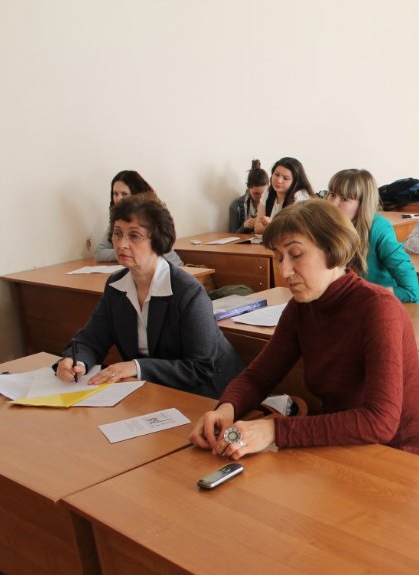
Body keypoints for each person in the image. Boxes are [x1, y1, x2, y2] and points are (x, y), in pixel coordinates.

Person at [189, 199, 419, 458]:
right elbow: (258, 377)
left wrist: (275, 430)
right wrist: (226, 408)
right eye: (279, 257)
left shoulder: (379, 308)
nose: (284, 270)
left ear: (333, 251)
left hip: (389, 456)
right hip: (333, 444)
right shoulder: (302, 307)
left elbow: (380, 422)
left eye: (296, 254)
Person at [57, 194, 245, 399]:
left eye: (134, 236)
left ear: (157, 240)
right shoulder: (116, 286)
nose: (121, 244)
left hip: (210, 392)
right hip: (154, 391)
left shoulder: (188, 292)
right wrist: (76, 362)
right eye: (117, 233)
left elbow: (201, 367)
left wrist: (136, 367)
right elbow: (90, 340)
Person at [327, 169, 419, 304]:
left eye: (344, 199)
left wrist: (362, 294)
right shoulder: (327, 228)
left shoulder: (379, 229)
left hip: (395, 305)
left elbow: (411, 291)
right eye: (332, 194)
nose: (333, 203)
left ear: (362, 204)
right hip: (356, 305)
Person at [94, 171, 183, 265]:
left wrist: (126, 253)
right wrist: (123, 252)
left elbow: (170, 257)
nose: (118, 199)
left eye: (124, 194)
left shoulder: (150, 219)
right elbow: (99, 252)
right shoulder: (118, 221)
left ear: (136, 195)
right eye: (115, 194)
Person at [255, 157, 314, 234]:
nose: (279, 180)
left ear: (295, 182)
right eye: (276, 174)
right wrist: (276, 226)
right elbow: (257, 228)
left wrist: (272, 224)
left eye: (286, 178)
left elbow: (294, 231)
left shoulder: (300, 196)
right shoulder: (268, 192)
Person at [228, 160, 270, 233]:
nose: (261, 197)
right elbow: (231, 235)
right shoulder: (236, 205)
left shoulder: (274, 203)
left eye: (263, 193)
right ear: (248, 188)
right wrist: (244, 226)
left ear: (269, 187)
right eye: (256, 193)